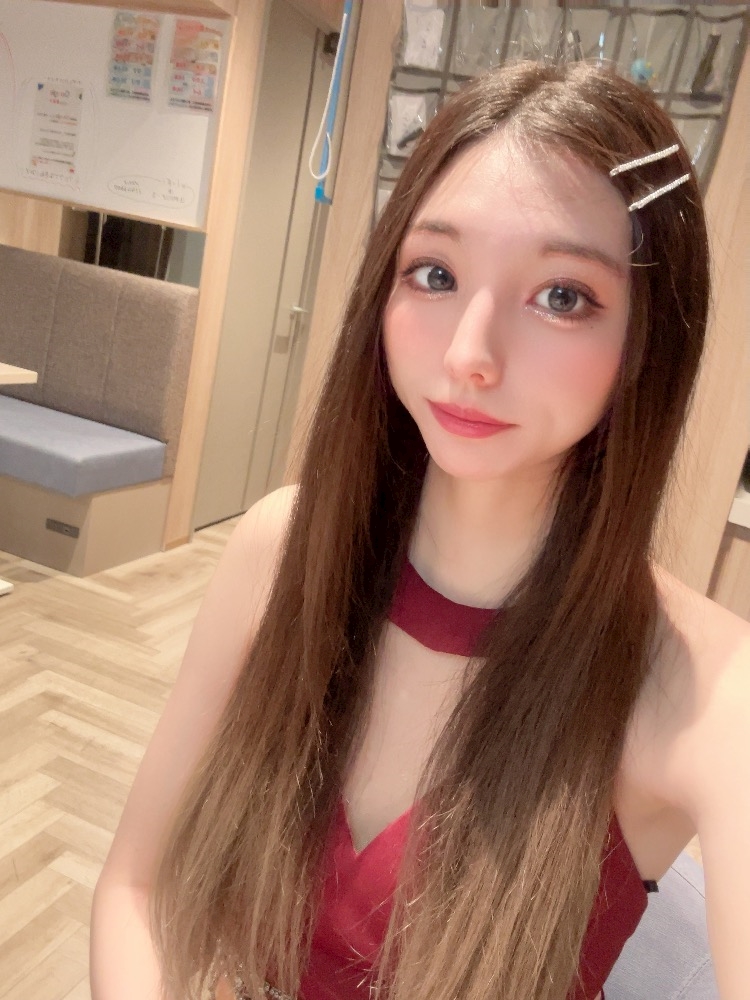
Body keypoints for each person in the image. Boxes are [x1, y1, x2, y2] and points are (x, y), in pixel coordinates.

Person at [90, 61, 749, 1000]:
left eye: (563, 295)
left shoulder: (708, 690)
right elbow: (137, 886)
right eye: (435, 274)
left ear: (645, 341)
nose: (470, 353)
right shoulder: (282, 550)